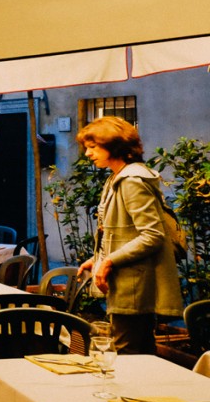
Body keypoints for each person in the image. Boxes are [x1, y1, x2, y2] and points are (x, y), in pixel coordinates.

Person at [77, 116, 183, 354]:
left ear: (114, 145)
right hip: (127, 284)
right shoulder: (117, 177)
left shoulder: (131, 180)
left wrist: (110, 261)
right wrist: (98, 258)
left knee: (128, 355)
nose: (87, 154)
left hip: (133, 287)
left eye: (93, 147)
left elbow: (152, 235)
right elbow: (123, 232)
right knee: (137, 353)